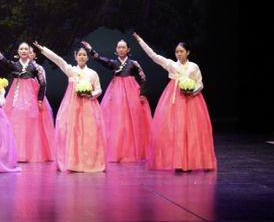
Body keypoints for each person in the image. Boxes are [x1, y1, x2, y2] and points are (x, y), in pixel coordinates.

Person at [133, 33, 216, 171]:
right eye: (177, 51)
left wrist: (193, 91)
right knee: (174, 129)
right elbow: (153, 56)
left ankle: (191, 162)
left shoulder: (193, 66)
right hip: (174, 98)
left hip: (192, 100)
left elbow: (200, 83)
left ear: (188, 52)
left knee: (192, 130)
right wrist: (140, 41)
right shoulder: (171, 64)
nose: (179, 54)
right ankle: (178, 162)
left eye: (181, 51)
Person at [34, 42, 106, 172]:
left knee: (89, 133)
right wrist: (42, 49)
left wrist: (91, 94)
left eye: (84, 55)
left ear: (87, 58)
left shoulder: (93, 73)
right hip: (73, 106)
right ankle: (73, 162)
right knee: (72, 133)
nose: (82, 57)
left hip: (89, 106)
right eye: (80, 55)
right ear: (75, 56)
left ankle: (89, 161)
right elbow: (58, 60)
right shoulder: (71, 70)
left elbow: (99, 89)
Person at [0, 38, 55, 162]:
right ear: (18, 52)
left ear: (30, 51)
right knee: (14, 121)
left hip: (31, 95)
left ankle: (31, 153)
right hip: (16, 93)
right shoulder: (14, 65)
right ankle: (16, 152)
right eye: (21, 49)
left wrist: (40, 99)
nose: (24, 51)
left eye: (26, 49)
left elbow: (43, 83)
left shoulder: (36, 67)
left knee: (32, 122)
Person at [81, 39, 152, 162]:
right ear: (116, 49)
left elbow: (143, 78)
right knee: (117, 122)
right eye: (119, 47)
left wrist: (142, 93)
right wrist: (90, 50)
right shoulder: (114, 63)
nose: (121, 50)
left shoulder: (133, 63)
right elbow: (99, 59)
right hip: (116, 94)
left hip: (131, 93)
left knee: (133, 121)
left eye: (123, 47)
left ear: (128, 49)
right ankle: (117, 151)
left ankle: (133, 150)